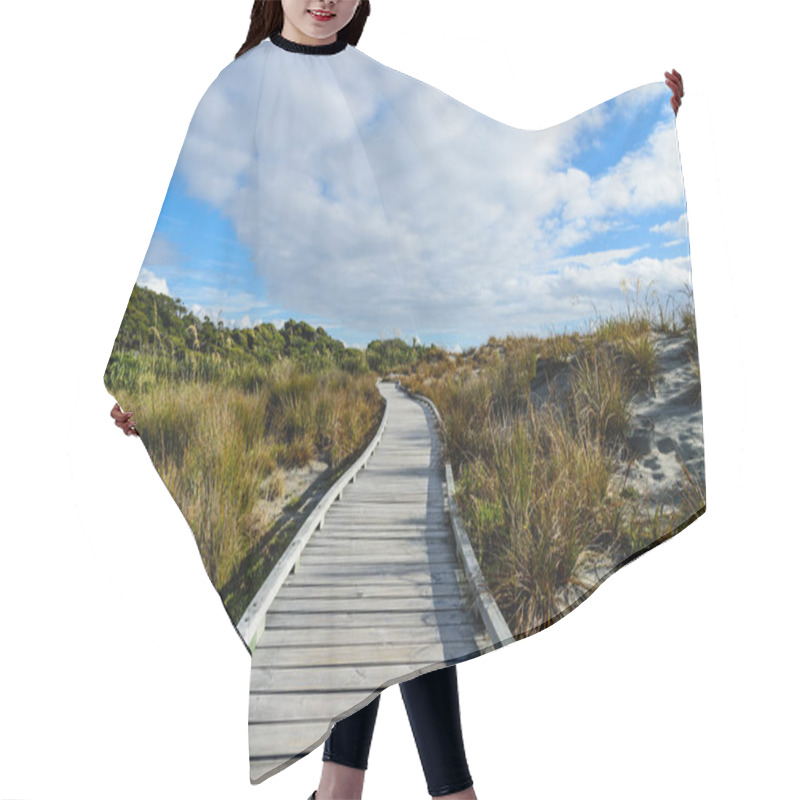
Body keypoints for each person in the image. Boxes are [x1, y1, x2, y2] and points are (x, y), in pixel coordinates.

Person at [110, 2, 686, 798]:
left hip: (389, 309)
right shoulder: (235, 91)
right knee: (402, 622)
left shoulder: (375, 87)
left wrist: (640, 119)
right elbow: (199, 240)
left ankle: (349, 791)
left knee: (392, 624)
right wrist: (148, 389)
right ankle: (430, 793)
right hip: (309, 311)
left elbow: (495, 161)